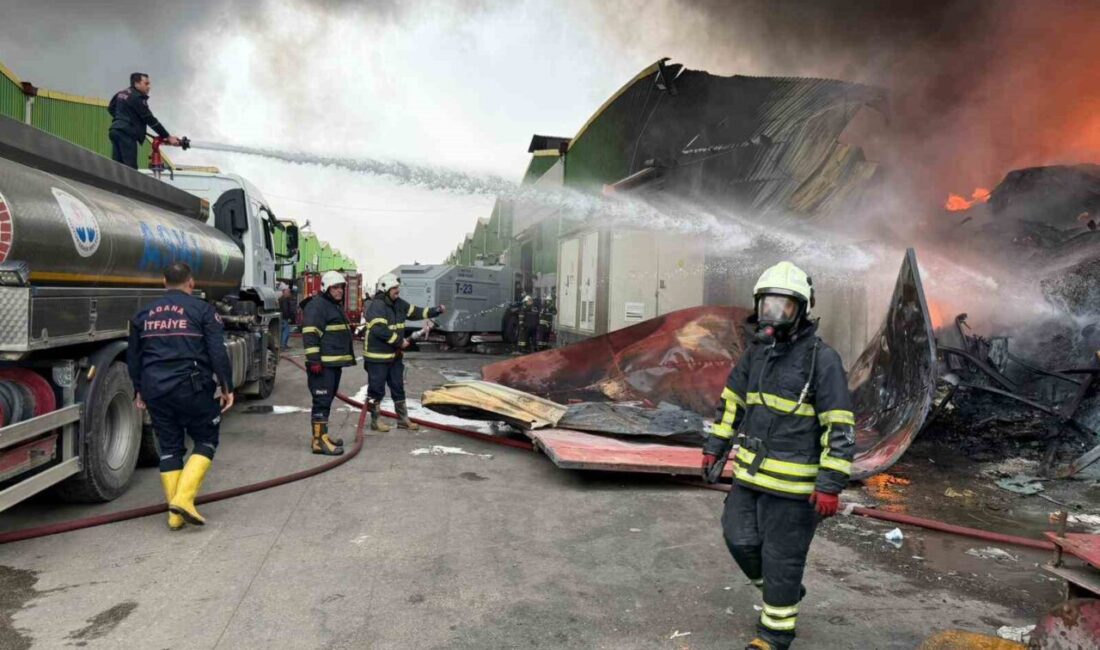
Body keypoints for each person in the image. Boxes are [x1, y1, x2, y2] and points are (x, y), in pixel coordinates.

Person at [700, 261, 855, 650]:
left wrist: (830, 485)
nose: (774, 315)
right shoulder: (756, 354)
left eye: (783, 307)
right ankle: (782, 592)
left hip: (795, 489)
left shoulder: (823, 359)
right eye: (768, 305)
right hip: (750, 476)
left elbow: (840, 426)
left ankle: (774, 636)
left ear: (801, 309)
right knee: (737, 538)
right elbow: (732, 403)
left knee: (782, 559)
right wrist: (715, 446)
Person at [127, 262, 234, 530]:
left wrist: (138, 388)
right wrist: (226, 386)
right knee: (207, 439)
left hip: (154, 389)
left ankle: (174, 517)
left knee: (170, 447)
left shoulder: (142, 314)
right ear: (191, 283)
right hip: (192, 388)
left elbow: (134, 358)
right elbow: (217, 352)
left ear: (164, 282)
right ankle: (184, 500)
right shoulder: (203, 310)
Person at [364, 273, 444, 431]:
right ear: (385, 289)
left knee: (398, 387)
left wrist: (435, 311)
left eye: (397, 287)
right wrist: (399, 341)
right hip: (377, 357)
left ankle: (402, 419)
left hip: (395, 356)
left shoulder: (398, 303)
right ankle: (375, 420)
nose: (397, 290)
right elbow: (379, 329)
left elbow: (415, 312)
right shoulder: (377, 306)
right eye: (394, 288)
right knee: (376, 390)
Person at [301, 271, 355, 456]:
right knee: (321, 402)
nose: (339, 291)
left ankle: (322, 435)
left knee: (327, 400)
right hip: (322, 365)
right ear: (326, 288)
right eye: (335, 287)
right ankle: (318, 442)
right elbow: (310, 334)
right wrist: (314, 360)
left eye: (341, 287)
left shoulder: (332, 305)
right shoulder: (317, 306)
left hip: (332, 364)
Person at [107, 72, 179, 169]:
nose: (149, 87)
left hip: (115, 130)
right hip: (126, 133)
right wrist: (168, 136)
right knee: (130, 169)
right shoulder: (137, 97)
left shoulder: (121, 93)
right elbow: (150, 120)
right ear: (136, 83)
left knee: (117, 167)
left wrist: (122, 119)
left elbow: (111, 108)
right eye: (146, 83)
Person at [278, 284, 296, 349]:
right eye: (288, 292)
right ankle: (283, 345)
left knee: (283, 332)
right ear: (284, 292)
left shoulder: (281, 299)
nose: (289, 293)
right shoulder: (284, 300)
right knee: (286, 332)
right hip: (284, 318)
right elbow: (285, 310)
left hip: (282, 318)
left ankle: (283, 344)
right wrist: (289, 317)